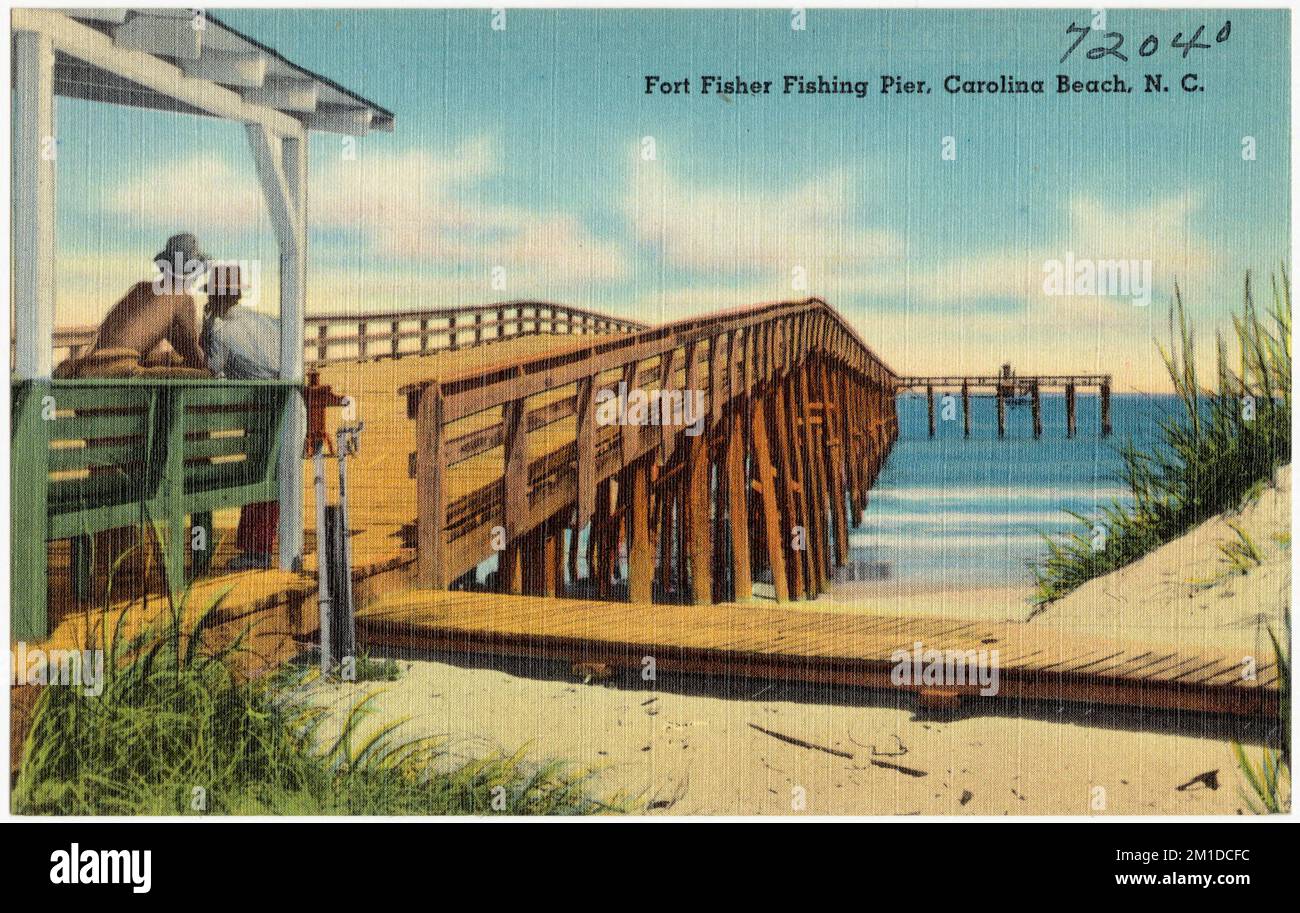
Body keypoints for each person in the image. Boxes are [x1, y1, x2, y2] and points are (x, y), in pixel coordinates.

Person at [202, 263, 282, 570]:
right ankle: (260, 547)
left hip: (258, 410)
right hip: (284, 404)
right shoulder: (264, 320)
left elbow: (213, 374)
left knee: (259, 474)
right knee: (271, 474)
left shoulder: (219, 328)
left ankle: (256, 551)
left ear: (214, 294)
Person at [57, 233, 210, 377]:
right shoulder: (182, 298)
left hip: (90, 365)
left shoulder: (141, 288)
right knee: (202, 377)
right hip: (118, 370)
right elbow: (192, 355)